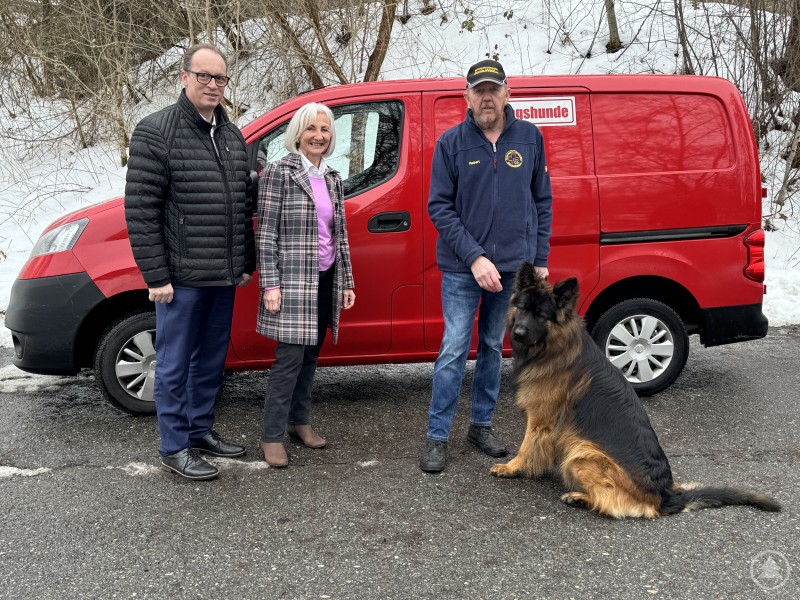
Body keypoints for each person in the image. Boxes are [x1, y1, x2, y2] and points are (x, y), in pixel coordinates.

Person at [124, 43, 256, 481]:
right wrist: (156, 275)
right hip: (179, 279)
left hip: (222, 275)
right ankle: (173, 446)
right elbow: (141, 209)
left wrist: (245, 261)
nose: (213, 85)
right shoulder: (155, 131)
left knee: (211, 359)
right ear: (184, 77)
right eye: (205, 76)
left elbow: (241, 203)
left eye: (220, 78)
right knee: (175, 362)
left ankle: (200, 430)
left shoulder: (232, 135)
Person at [420, 59, 553, 473]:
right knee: (454, 348)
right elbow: (439, 208)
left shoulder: (530, 138)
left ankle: (481, 426)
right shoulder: (451, 144)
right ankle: (437, 437)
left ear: (508, 93)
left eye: (493, 89)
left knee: (494, 347)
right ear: (468, 97)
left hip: (514, 269)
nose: (487, 97)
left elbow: (542, 202)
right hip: (463, 268)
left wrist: (541, 258)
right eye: (479, 90)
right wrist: (475, 256)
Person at [256, 102, 356, 468]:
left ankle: (299, 422)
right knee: (289, 359)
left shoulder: (332, 177)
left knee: (311, 356)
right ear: (298, 133)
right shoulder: (279, 173)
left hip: (326, 278)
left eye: (325, 129)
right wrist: (271, 284)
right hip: (293, 282)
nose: (319, 135)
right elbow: (265, 234)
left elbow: (339, 235)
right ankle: (271, 435)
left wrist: (346, 280)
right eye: (311, 128)